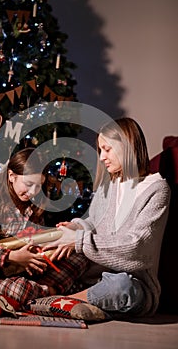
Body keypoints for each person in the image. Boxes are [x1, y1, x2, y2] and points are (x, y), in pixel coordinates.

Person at [44, 117, 171, 318]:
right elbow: (94, 224)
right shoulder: (108, 186)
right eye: (100, 150)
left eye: (107, 149)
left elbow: (138, 248)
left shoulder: (156, 189)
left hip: (134, 282)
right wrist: (78, 227)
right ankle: (77, 299)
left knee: (121, 288)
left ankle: (59, 301)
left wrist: (79, 240)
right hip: (93, 274)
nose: (102, 157)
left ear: (127, 146)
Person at [0, 148, 89, 307]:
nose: (33, 192)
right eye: (29, 184)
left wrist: (47, 249)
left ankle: (43, 291)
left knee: (80, 256)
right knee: (19, 289)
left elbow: (34, 242)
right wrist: (12, 256)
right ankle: (53, 292)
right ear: (12, 176)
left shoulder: (33, 208)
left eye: (38, 186)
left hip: (28, 275)